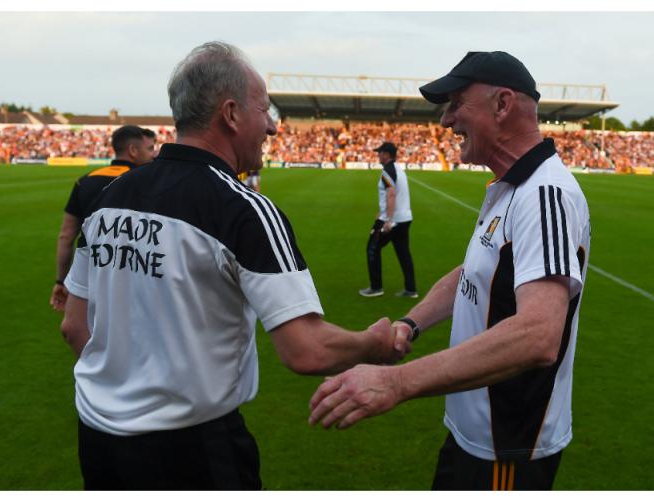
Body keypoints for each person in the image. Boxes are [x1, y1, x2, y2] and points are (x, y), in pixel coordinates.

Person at [60, 41, 411, 490]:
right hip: (192, 453)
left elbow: (74, 326)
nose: (271, 127)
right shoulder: (243, 209)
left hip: (98, 442)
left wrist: (123, 392)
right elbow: (307, 349)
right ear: (230, 114)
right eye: (264, 110)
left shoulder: (109, 198)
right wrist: (373, 345)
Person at [309, 51, 592, 491]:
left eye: (457, 103)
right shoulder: (510, 187)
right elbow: (474, 272)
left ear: (502, 105)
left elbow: (539, 334)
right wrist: (411, 322)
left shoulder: (545, 194)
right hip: (475, 436)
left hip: (506, 450)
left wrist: (396, 382)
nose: (445, 120)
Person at [49, 125, 156, 311]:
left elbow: (66, 236)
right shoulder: (148, 181)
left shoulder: (85, 181)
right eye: (149, 149)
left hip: (89, 278)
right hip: (134, 280)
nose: (152, 155)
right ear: (133, 150)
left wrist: (61, 280)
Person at [358, 141, 417, 298]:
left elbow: (391, 193)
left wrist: (388, 220)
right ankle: (411, 289)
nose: (378, 155)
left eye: (380, 153)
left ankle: (376, 287)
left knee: (372, 248)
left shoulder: (387, 171)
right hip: (405, 218)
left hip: (393, 220)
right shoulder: (398, 169)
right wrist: (381, 211)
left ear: (386, 154)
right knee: (403, 253)